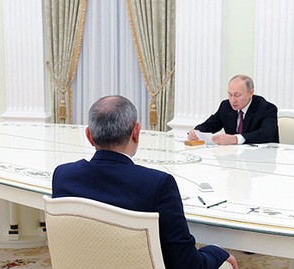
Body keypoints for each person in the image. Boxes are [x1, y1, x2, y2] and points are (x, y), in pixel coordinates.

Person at [52, 95, 239, 269]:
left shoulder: (63, 175)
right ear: (136, 132)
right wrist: (217, 251)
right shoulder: (157, 185)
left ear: (89, 135)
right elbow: (187, 265)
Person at [187, 74, 278, 145]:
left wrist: (235, 139)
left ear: (251, 93)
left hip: (262, 159)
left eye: (237, 95)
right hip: (233, 157)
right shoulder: (226, 106)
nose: (233, 100)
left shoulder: (266, 108)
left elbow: (266, 133)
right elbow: (211, 124)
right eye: (230, 94)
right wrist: (196, 132)